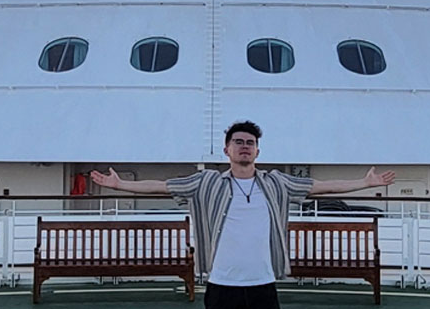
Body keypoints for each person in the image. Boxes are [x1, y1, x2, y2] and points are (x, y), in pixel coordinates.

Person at [90, 120, 395, 309]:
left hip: (263, 283)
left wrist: (364, 182)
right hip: (221, 284)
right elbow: (161, 186)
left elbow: (322, 186)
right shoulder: (206, 182)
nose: (245, 147)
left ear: (258, 152)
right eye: (238, 142)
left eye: (250, 143)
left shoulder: (277, 182)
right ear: (227, 150)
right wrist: (120, 184)